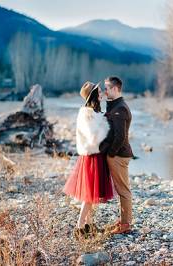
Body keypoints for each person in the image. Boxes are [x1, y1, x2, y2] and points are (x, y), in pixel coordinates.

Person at [63, 81, 114, 239]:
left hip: (95, 155)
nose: (101, 93)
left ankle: (88, 225)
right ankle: (79, 227)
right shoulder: (87, 113)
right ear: (93, 95)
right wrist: (106, 126)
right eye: (98, 91)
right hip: (91, 157)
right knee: (89, 196)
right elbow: (94, 138)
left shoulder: (94, 111)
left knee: (93, 194)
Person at [100, 76, 134, 234]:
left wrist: (111, 154)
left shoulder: (120, 108)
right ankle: (123, 220)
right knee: (122, 189)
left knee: (123, 190)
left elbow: (120, 136)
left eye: (107, 88)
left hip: (119, 155)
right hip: (117, 154)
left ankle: (126, 224)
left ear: (115, 89)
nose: (104, 91)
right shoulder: (115, 105)